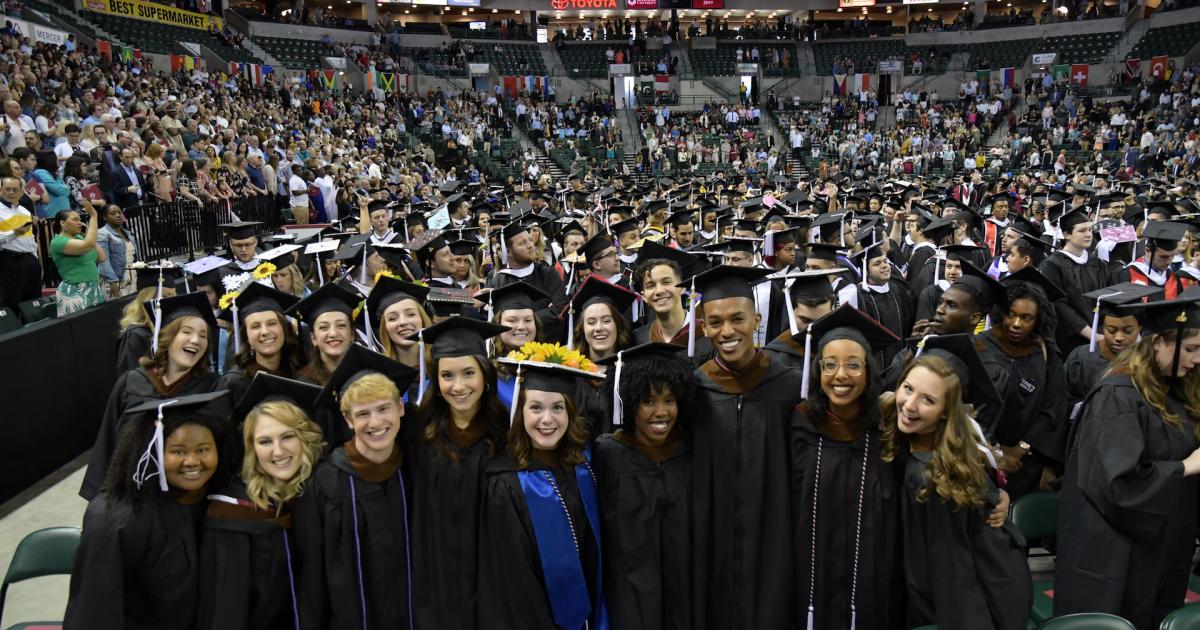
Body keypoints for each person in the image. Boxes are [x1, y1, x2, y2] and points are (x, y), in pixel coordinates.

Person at [1055, 294, 1200, 629]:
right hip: (1115, 550)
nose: (1197, 358)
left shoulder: (1174, 388)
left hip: (1161, 543)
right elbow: (1118, 484)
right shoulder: (1118, 397)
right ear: (1157, 342)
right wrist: (1186, 467)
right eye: (1190, 348)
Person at [881, 336, 1032, 630]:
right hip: (992, 585)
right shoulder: (948, 444)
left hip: (981, 601)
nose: (910, 405)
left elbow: (951, 571)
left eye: (929, 400)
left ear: (946, 412)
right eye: (908, 388)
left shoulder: (930, 477)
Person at [689, 265, 802, 629]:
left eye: (737, 319)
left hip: (776, 538)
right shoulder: (693, 391)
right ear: (703, 327)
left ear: (756, 319)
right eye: (715, 322)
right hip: (712, 541)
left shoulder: (790, 386)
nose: (727, 331)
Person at [65, 390, 235, 628]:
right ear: (150, 454)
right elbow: (95, 612)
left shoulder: (215, 502)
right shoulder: (118, 519)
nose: (193, 461)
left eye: (203, 449)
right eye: (178, 451)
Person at [788, 305, 906, 629]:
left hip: (873, 578)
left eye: (854, 365)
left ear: (869, 372)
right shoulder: (799, 427)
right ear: (818, 371)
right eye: (830, 365)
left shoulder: (886, 431)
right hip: (810, 577)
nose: (841, 375)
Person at [478, 352, 609, 629]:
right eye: (535, 408)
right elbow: (513, 577)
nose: (547, 419)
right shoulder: (506, 482)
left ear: (570, 413)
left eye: (558, 408)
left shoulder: (584, 467)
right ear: (520, 413)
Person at [295, 345, 420, 630]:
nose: (375, 423)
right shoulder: (324, 483)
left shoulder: (415, 469)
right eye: (362, 414)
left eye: (384, 408)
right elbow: (312, 574)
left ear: (400, 408)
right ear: (348, 420)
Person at [197, 375, 325, 630]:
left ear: (304, 438)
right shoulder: (233, 512)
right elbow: (225, 609)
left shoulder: (319, 494)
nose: (277, 451)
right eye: (265, 441)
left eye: (287, 436)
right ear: (252, 449)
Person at [407, 317, 510, 630]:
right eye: (447, 375)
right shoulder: (417, 435)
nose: (459, 386)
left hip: (493, 576)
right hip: (434, 575)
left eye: (469, 373)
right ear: (436, 381)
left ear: (486, 375)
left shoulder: (506, 433)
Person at [593, 342, 696, 630]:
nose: (661, 412)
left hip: (686, 590)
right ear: (629, 402)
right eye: (648, 401)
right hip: (627, 593)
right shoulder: (609, 454)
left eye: (669, 400)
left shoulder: (691, 451)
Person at [80, 292, 220, 500]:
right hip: (133, 498)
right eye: (187, 331)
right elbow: (108, 443)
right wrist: (100, 505)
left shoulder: (212, 388)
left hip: (188, 503)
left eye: (203, 335)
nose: (195, 340)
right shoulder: (131, 383)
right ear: (167, 336)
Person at [978, 267, 1068, 499]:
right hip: (980, 455)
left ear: (1038, 320)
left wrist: (1020, 450)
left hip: (1026, 463)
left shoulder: (1047, 354)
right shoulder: (980, 346)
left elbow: (1053, 409)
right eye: (1011, 314)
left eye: (1026, 318)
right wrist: (994, 451)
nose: (1016, 323)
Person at [1063, 283, 1163, 418]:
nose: (1119, 337)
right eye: (1111, 330)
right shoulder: (1081, 357)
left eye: (1128, 331)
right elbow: (1058, 397)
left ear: (1139, 327)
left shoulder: (1149, 361)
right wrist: (1083, 408)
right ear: (1102, 327)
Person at [1040, 208, 1117, 354]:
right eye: (1082, 231)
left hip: (1101, 336)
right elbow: (1059, 307)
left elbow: (1108, 297)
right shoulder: (1052, 265)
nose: (1088, 235)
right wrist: (1091, 335)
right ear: (1066, 234)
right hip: (1070, 342)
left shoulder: (1098, 264)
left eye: (1089, 230)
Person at [214, 282, 305, 404]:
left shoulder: (299, 374)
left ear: (284, 329)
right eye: (255, 326)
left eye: (272, 323)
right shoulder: (234, 383)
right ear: (246, 337)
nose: (265, 332)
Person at [488, 221, 568, 342]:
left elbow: (560, 308)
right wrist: (546, 312)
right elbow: (498, 321)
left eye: (530, 240)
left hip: (547, 348)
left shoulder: (548, 274)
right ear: (508, 251)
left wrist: (517, 321)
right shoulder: (498, 281)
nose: (530, 245)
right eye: (522, 243)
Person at [362, 276, 432, 402]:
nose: (403, 322)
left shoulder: (440, 367)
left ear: (422, 319)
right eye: (392, 318)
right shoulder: (379, 377)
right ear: (385, 328)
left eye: (410, 314)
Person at [483, 281, 548, 410]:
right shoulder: (486, 371)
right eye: (512, 320)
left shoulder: (547, 364)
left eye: (528, 320)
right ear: (497, 324)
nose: (522, 327)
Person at [287, 283, 361, 389]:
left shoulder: (369, 374)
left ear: (352, 334)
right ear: (313, 338)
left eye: (341, 325)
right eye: (323, 327)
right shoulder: (303, 383)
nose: (333, 333)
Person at [762, 269, 839, 370]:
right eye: (805, 320)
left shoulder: (842, 346)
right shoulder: (773, 357)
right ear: (791, 311)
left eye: (822, 320)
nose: (813, 328)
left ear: (832, 310)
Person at [50, 199, 106, 316]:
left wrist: (88, 235)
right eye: (75, 219)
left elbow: (102, 257)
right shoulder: (58, 242)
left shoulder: (80, 238)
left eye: (80, 220)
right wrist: (93, 216)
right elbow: (88, 245)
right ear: (62, 223)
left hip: (93, 289)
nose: (79, 222)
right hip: (74, 292)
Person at [0, 175, 41, 312]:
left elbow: (30, 238)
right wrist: (14, 233)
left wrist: (36, 259)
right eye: (7, 189)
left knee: (34, 301)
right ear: (1, 190)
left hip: (29, 259)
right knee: (12, 302)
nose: (11, 192)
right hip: (8, 260)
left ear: (21, 192)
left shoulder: (24, 210)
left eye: (14, 190)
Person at [97, 204, 138, 299]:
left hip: (132, 276)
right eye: (113, 213)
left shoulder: (127, 233)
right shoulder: (102, 233)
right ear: (104, 217)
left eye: (119, 212)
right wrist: (112, 281)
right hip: (115, 279)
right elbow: (103, 260)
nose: (118, 215)